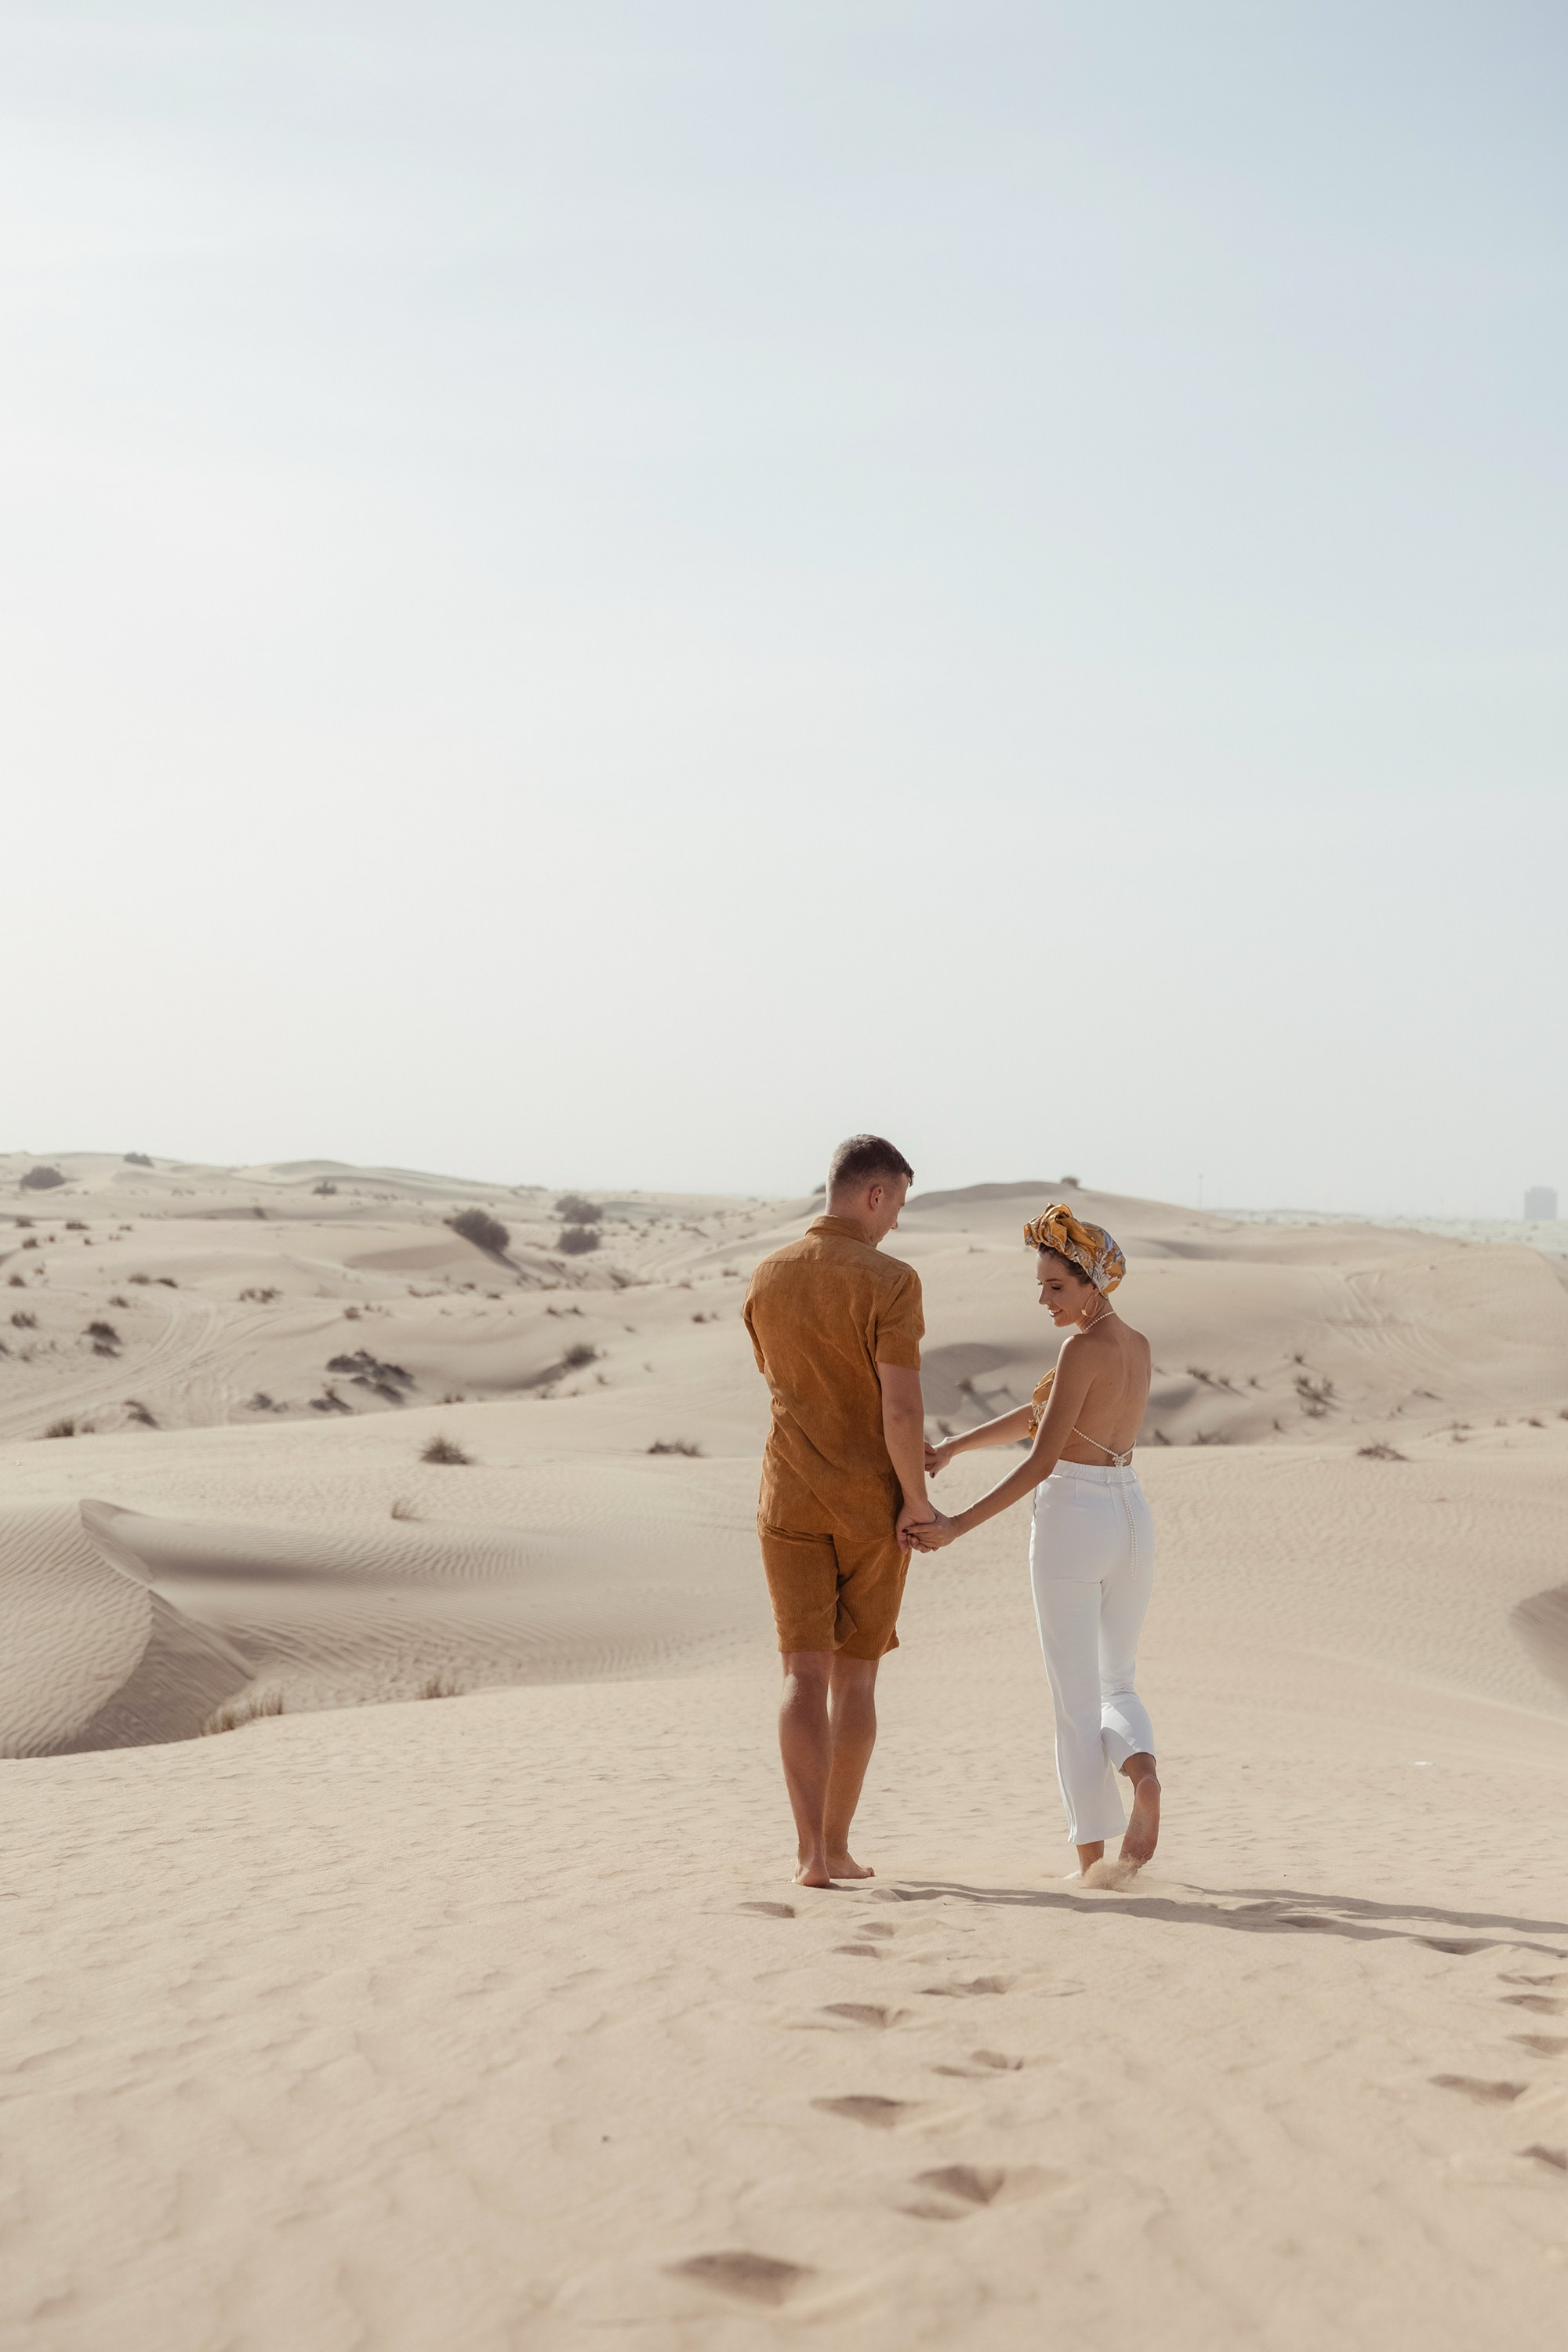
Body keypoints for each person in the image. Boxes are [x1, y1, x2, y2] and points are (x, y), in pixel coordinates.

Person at [909, 1204, 1160, 1882]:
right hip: (1133, 1515)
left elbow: (1043, 1457)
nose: (1043, 1298)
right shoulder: (1133, 1345)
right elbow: (1045, 1412)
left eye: (1056, 1287)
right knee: (1118, 1682)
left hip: (1075, 1519)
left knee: (1074, 1701)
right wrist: (956, 1447)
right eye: (1041, 1284)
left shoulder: (1080, 1348)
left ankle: (1091, 1866)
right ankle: (1143, 1778)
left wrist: (958, 1523)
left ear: (1093, 1285)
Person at [743, 1135, 935, 1887]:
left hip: (786, 1495)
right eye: (897, 1208)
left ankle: (808, 1856)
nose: (895, 1227)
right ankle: (839, 1845)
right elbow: (903, 1408)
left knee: (800, 1673)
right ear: (875, 1194)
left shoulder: (768, 1274)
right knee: (854, 1680)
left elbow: (777, 1378)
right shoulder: (892, 1281)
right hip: (868, 1506)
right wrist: (918, 1502)